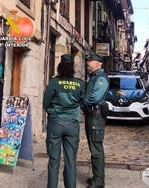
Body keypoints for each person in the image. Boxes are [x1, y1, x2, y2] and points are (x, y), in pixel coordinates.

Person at [43, 54, 84, 188]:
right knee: (71, 160)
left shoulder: (54, 82)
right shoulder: (79, 84)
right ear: (73, 67)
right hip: (72, 124)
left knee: (54, 160)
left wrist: (54, 112)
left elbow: (46, 103)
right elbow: (83, 103)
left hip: (56, 123)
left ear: (60, 66)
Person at [84, 53, 109, 188]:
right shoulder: (94, 77)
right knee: (93, 146)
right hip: (92, 115)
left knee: (96, 148)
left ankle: (99, 182)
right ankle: (96, 177)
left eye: (90, 61)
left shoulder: (100, 78)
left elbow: (95, 97)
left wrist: (83, 102)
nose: (88, 62)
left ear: (98, 63)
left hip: (96, 116)